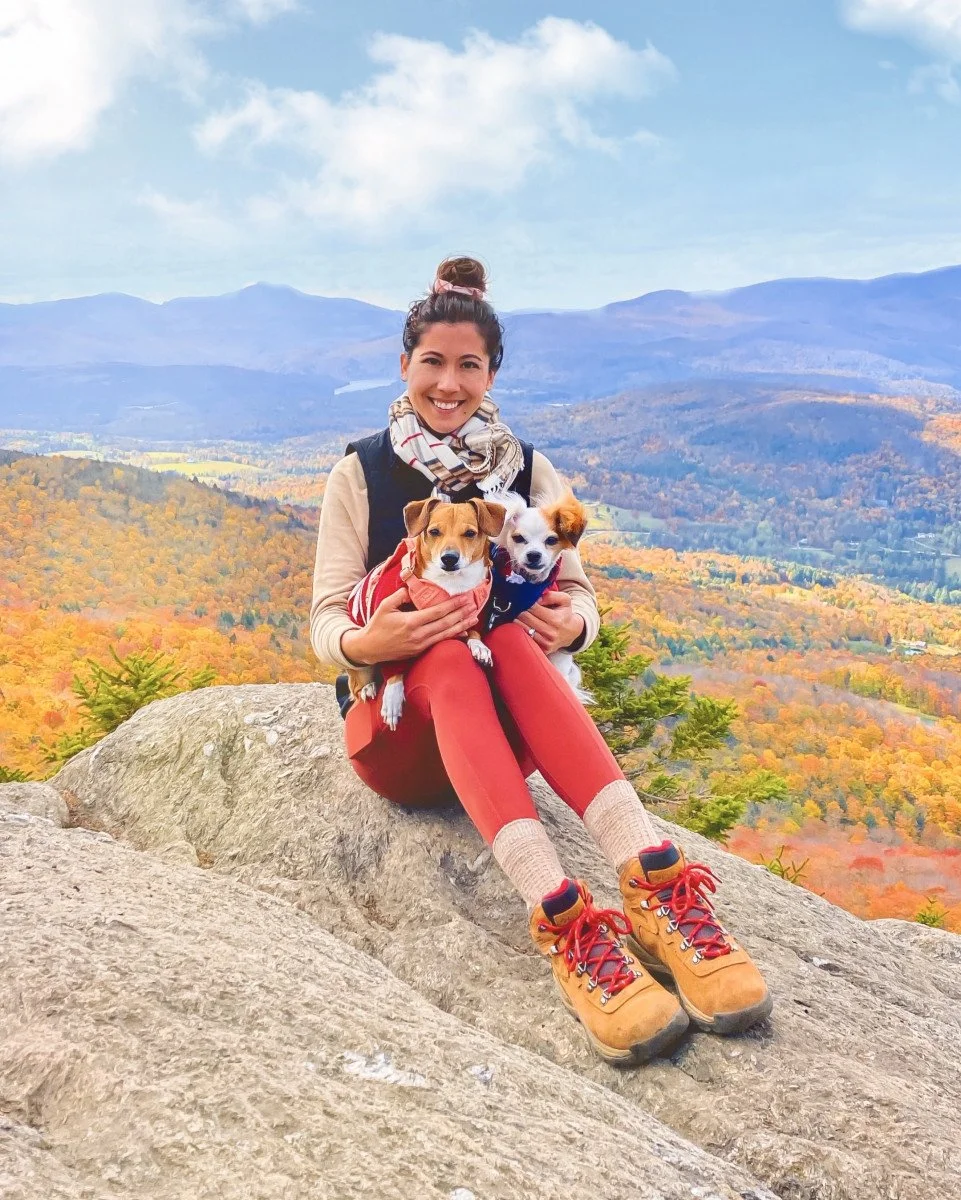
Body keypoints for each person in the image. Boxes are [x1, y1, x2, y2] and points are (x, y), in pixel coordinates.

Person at [310, 256, 771, 1065]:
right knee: (451, 657)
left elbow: (580, 593)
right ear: (405, 364)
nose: (448, 384)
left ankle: (653, 888)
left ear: (491, 373)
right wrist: (367, 644)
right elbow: (323, 618)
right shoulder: (363, 471)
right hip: (403, 743)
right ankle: (561, 917)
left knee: (515, 637)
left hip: (502, 733)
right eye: (432, 363)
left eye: (468, 366)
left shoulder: (526, 470)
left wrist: (574, 626)